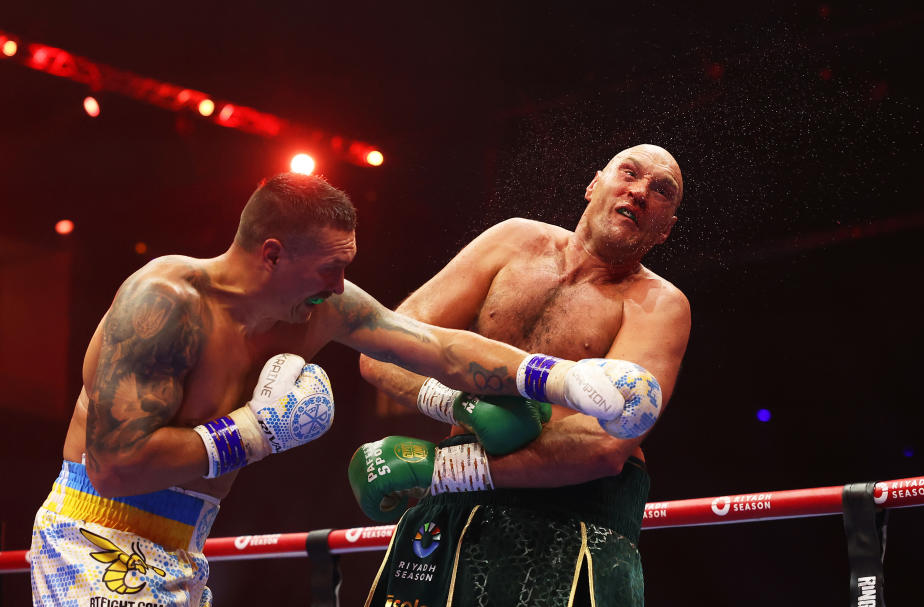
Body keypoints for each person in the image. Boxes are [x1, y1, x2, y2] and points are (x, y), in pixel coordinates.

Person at [28, 172, 645, 606]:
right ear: (272, 255)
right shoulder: (166, 304)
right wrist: (256, 430)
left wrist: (559, 377)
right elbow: (112, 468)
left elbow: (436, 348)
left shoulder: (324, 305)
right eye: (330, 267)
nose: (341, 284)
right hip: (97, 531)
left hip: (187, 542)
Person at [353, 144, 691, 606]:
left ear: (665, 229)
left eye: (661, 191)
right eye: (629, 173)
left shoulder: (659, 304)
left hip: (573, 516)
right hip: (452, 508)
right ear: (595, 184)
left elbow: (604, 445)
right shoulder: (512, 241)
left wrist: (442, 469)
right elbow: (385, 347)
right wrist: (461, 405)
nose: (639, 192)